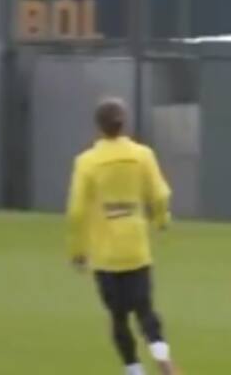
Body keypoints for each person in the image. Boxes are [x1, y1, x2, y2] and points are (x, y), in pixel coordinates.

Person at [66, 98, 179, 375]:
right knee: (145, 309)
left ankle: (134, 370)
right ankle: (160, 352)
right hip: (135, 246)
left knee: (118, 317)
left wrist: (78, 251)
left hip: (106, 254)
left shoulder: (87, 162)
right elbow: (161, 194)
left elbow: (76, 210)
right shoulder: (142, 155)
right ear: (124, 123)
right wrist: (161, 219)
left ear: (99, 127)